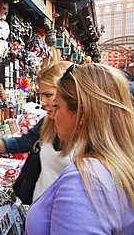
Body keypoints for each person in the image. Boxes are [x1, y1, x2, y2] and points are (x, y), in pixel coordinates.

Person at [26, 64, 134, 234]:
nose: (53, 114)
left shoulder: (84, 182)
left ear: (82, 114)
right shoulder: (116, 163)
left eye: (58, 106)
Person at [0, 61, 74, 203]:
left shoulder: (84, 135)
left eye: (49, 95)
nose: (43, 102)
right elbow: (22, 143)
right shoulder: (47, 123)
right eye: (41, 95)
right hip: (39, 206)